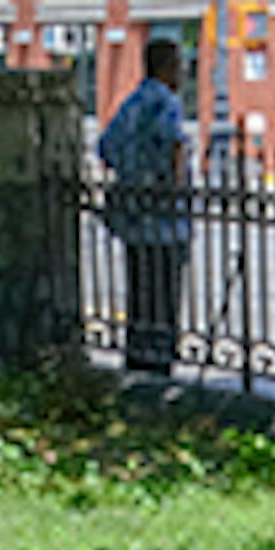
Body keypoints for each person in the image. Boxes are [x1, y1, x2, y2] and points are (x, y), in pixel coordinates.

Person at [98, 36, 193, 375]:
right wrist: (175, 187)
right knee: (163, 299)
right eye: (180, 66)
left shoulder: (132, 102)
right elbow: (174, 145)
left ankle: (137, 357)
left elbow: (105, 148)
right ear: (168, 68)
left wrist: (131, 170)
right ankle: (158, 362)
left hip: (134, 221)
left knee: (139, 295)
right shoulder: (167, 103)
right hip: (165, 222)